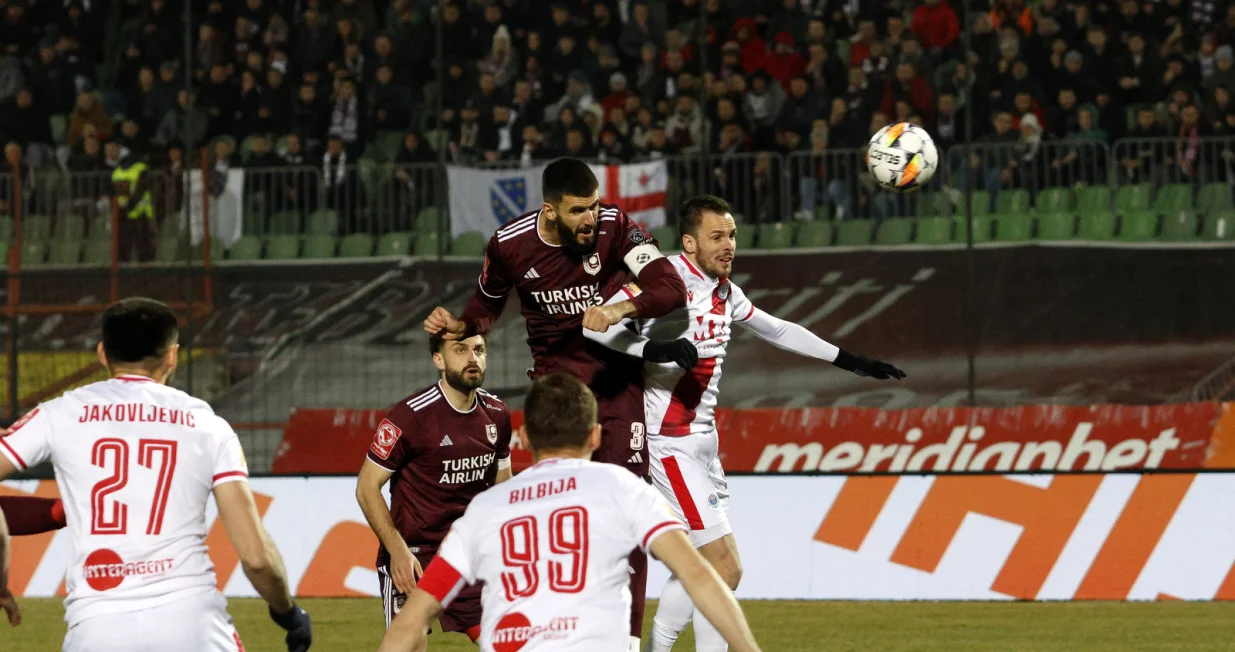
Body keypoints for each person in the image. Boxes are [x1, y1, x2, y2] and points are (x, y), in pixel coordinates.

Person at [584, 195, 905, 652]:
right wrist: (654, 349)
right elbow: (595, 326)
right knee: (725, 567)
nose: (729, 245)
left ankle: (656, 647)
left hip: (703, 443)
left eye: (732, 235)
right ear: (690, 243)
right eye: (717, 236)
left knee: (704, 566)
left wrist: (851, 360)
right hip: (670, 442)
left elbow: (778, 329)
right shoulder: (663, 277)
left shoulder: (725, 291)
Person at [422, 157, 688, 649]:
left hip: (617, 388)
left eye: (594, 206)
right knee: (559, 515)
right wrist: (461, 325)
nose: (591, 219)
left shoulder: (616, 226)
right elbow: (486, 307)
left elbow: (669, 286)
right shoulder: (509, 244)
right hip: (557, 396)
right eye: (578, 210)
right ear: (550, 210)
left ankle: (627, 643)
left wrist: (620, 308)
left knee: (626, 512)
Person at [0, 298, 312, 651]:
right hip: (194, 625)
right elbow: (257, 559)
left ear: (102, 353)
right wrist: (289, 614)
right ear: (172, 356)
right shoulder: (208, 425)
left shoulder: (58, 413)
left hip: (97, 627)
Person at [377, 373, 762, 652]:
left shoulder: (484, 510)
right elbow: (698, 574)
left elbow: (410, 623)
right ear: (595, 436)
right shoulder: (623, 489)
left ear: (525, 437)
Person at [355, 333, 513, 647]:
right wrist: (397, 550)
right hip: (414, 556)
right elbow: (366, 487)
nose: (472, 358)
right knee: (406, 645)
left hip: (468, 554)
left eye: (479, 350)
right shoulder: (410, 416)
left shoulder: (497, 413)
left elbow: (503, 487)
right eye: (460, 350)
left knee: (508, 644)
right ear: (438, 360)